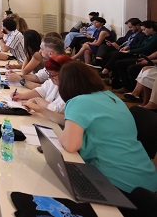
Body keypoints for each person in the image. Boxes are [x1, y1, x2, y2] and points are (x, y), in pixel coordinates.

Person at [58, 62, 157, 199]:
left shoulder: (78, 101)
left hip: (120, 186)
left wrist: (60, 134)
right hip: (145, 180)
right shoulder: (110, 97)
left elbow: (70, 145)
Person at [13, 54, 72, 126]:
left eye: (52, 74)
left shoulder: (73, 91)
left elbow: (58, 111)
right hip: (48, 120)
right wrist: (22, 96)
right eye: (48, 73)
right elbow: (42, 90)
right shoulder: (54, 81)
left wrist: (39, 103)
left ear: (64, 74)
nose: (49, 77)